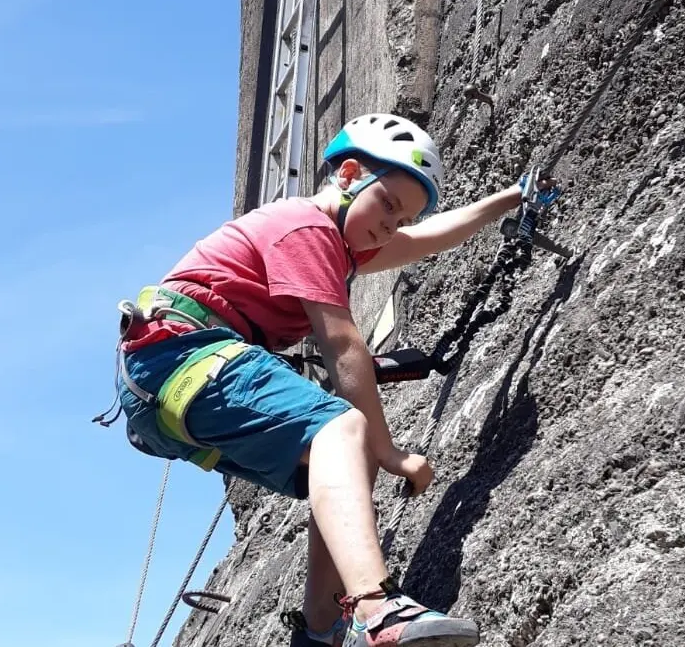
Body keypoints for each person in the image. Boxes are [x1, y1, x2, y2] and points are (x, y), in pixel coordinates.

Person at [106, 113, 548, 647]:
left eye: (400, 216)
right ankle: (375, 608)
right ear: (349, 174)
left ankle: (321, 630)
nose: (391, 225)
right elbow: (342, 344)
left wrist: (504, 200)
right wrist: (389, 451)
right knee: (344, 432)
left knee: (339, 458)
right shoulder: (307, 228)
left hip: (167, 387)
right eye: (387, 204)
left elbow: (429, 238)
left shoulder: (345, 246)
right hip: (183, 354)